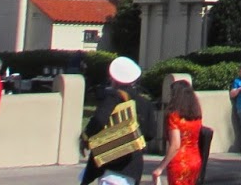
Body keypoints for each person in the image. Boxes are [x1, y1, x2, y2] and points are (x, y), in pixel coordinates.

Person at [81, 56, 157, 185]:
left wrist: (86, 137)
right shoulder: (145, 103)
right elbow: (150, 134)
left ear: (114, 78)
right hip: (133, 167)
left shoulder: (113, 97)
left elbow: (99, 120)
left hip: (112, 164)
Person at [151, 78, 204, 185]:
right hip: (195, 159)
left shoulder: (174, 116)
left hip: (180, 161)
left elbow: (175, 145)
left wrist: (161, 167)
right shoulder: (196, 116)